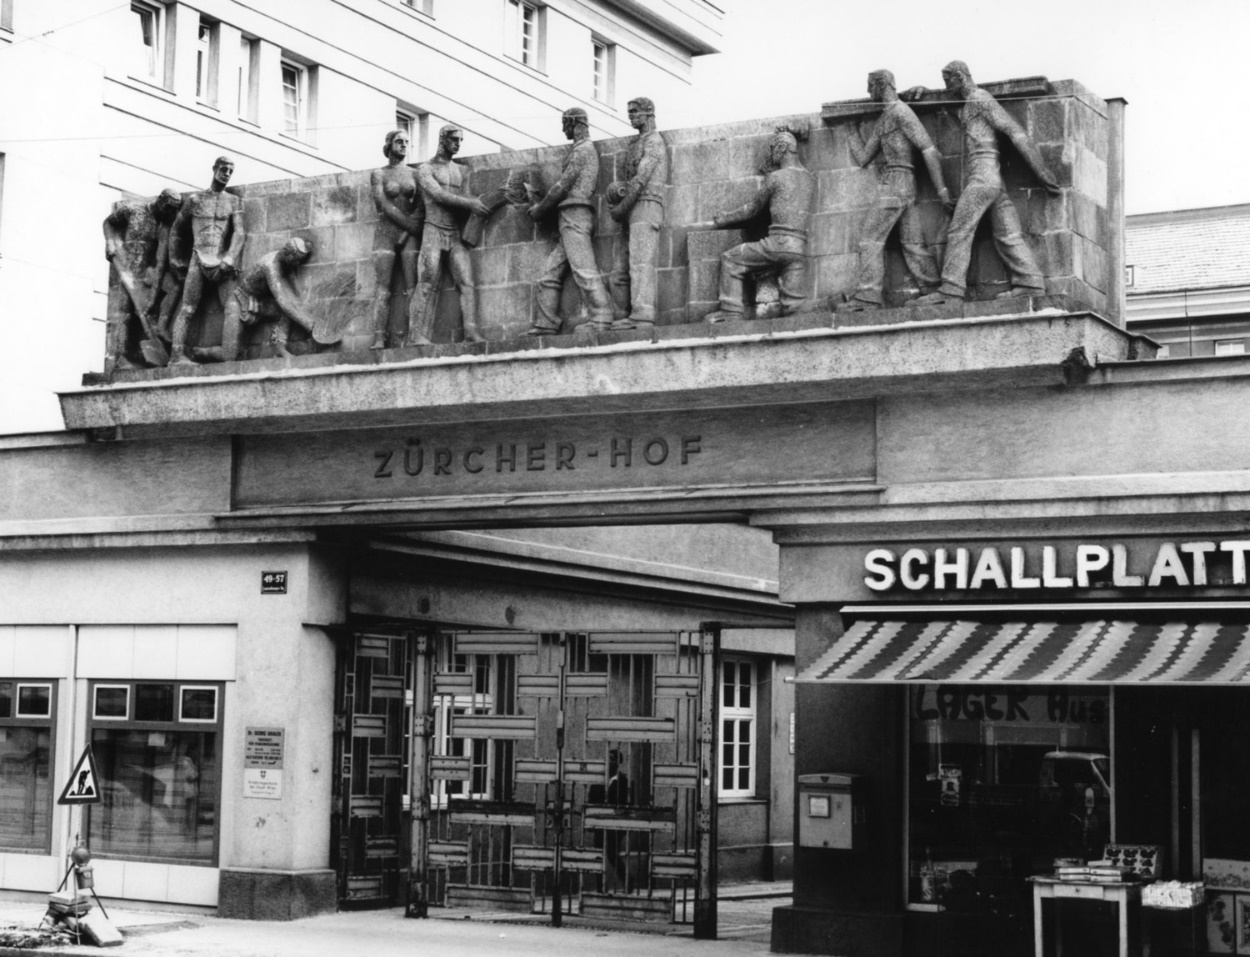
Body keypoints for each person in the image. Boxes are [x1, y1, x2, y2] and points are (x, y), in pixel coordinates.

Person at [908, 61, 1061, 303]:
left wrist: (1040, 170)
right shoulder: (970, 102)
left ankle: (951, 288)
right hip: (993, 181)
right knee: (1007, 234)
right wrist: (922, 93)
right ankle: (1030, 282)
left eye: (948, 82)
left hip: (983, 178)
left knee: (959, 230)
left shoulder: (980, 98)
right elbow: (944, 103)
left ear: (959, 77)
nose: (947, 88)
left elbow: (1014, 131)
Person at [839, 70, 952, 310]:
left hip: (896, 182)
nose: (869, 92)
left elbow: (928, 148)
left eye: (871, 86)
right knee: (912, 242)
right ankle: (932, 288)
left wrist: (942, 191)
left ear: (882, 85)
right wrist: (851, 129)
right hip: (902, 185)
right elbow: (863, 158)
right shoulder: (885, 118)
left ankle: (867, 297)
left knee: (870, 237)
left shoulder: (901, 112)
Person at [703, 127, 815, 323]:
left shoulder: (776, 177)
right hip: (798, 250)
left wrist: (725, 218)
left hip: (777, 245)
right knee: (796, 311)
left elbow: (752, 209)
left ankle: (731, 311)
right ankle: (829, 305)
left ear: (782, 148)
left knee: (730, 259)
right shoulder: (809, 178)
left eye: (773, 149)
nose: (771, 155)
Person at [526, 107, 615, 336]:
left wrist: (539, 208)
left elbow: (562, 186)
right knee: (548, 273)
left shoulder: (583, 150)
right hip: (569, 214)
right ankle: (546, 324)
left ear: (574, 123)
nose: (563, 128)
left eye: (565, 123)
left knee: (584, 270)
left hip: (575, 214)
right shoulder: (581, 150)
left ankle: (602, 317)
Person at [409, 125, 491, 346]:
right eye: (454, 139)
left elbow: (463, 198)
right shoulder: (425, 169)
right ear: (443, 138)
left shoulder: (460, 170)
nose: (458, 144)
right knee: (425, 281)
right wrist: (471, 203)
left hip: (453, 233)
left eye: (460, 141)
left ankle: (470, 331)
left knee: (466, 281)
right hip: (433, 229)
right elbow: (438, 195)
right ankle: (415, 333)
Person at [169, 156, 247, 364]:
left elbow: (239, 232)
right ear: (214, 169)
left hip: (222, 259)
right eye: (224, 169)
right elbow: (177, 229)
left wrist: (230, 257)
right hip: (198, 256)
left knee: (233, 305)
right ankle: (176, 356)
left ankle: (229, 354)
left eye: (231, 171)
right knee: (187, 308)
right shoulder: (195, 200)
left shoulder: (233, 201)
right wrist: (175, 257)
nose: (227, 174)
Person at [102, 188, 183, 368]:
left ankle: (161, 326)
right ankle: (121, 356)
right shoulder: (133, 209)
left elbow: (161, 262)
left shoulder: (164, 225)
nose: (171, 213)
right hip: (126, 268)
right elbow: (108, 223)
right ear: (161, 200)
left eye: (174, 209)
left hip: (147, 271)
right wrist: (109, 242)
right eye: (169, 207)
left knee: (175, 287)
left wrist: (152, 298)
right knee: (124, 312)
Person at [607, 97, 668, 330]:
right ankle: (625, 314)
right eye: (629, 111)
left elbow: (641, 179)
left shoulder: (654, 142)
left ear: (649, 113)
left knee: (641, 262)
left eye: (635, 111)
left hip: (646, 205)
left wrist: (620, 209)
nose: (630, 115)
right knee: (620, 270)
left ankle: (642, 315)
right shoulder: (637, 143)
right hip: (632, 208)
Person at [370, 129, 424, 350]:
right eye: (399, 141)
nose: (403, 145)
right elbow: (383, 204)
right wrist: (409, 224)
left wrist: (411, 227)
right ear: (389, 145)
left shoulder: (416, 174)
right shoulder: (379, 174)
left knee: (413, 286)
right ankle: (379, 338)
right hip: (386, 233)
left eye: (406, 142)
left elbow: (422, 204)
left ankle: (414, 334)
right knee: (383, 289)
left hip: (409, 235)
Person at [233, 238, 318, 356]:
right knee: (229, 354)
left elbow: (296, 291)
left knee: (285, 311)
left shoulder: (286, 262)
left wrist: (307, 310)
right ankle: (202, 352)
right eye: (297, 260)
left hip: (261, 300)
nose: (297, 264)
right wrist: (307, 324)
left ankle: (279, 349)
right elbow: (283, 302)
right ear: (288, 254)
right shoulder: (270, 266)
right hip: (243, 301)